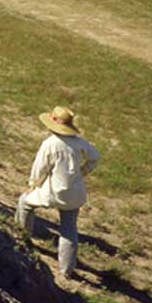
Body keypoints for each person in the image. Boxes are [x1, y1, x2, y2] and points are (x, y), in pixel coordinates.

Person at [15, 106, 100, 280]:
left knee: (24, 203)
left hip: (52, 191)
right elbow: (95, 157)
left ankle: (22, 239)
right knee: (69, 229)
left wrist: (32, 184)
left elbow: (40, 168)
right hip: (74, 192)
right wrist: (82, 172)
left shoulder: (50, 144)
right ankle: (66, 270)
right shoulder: (79, 142)